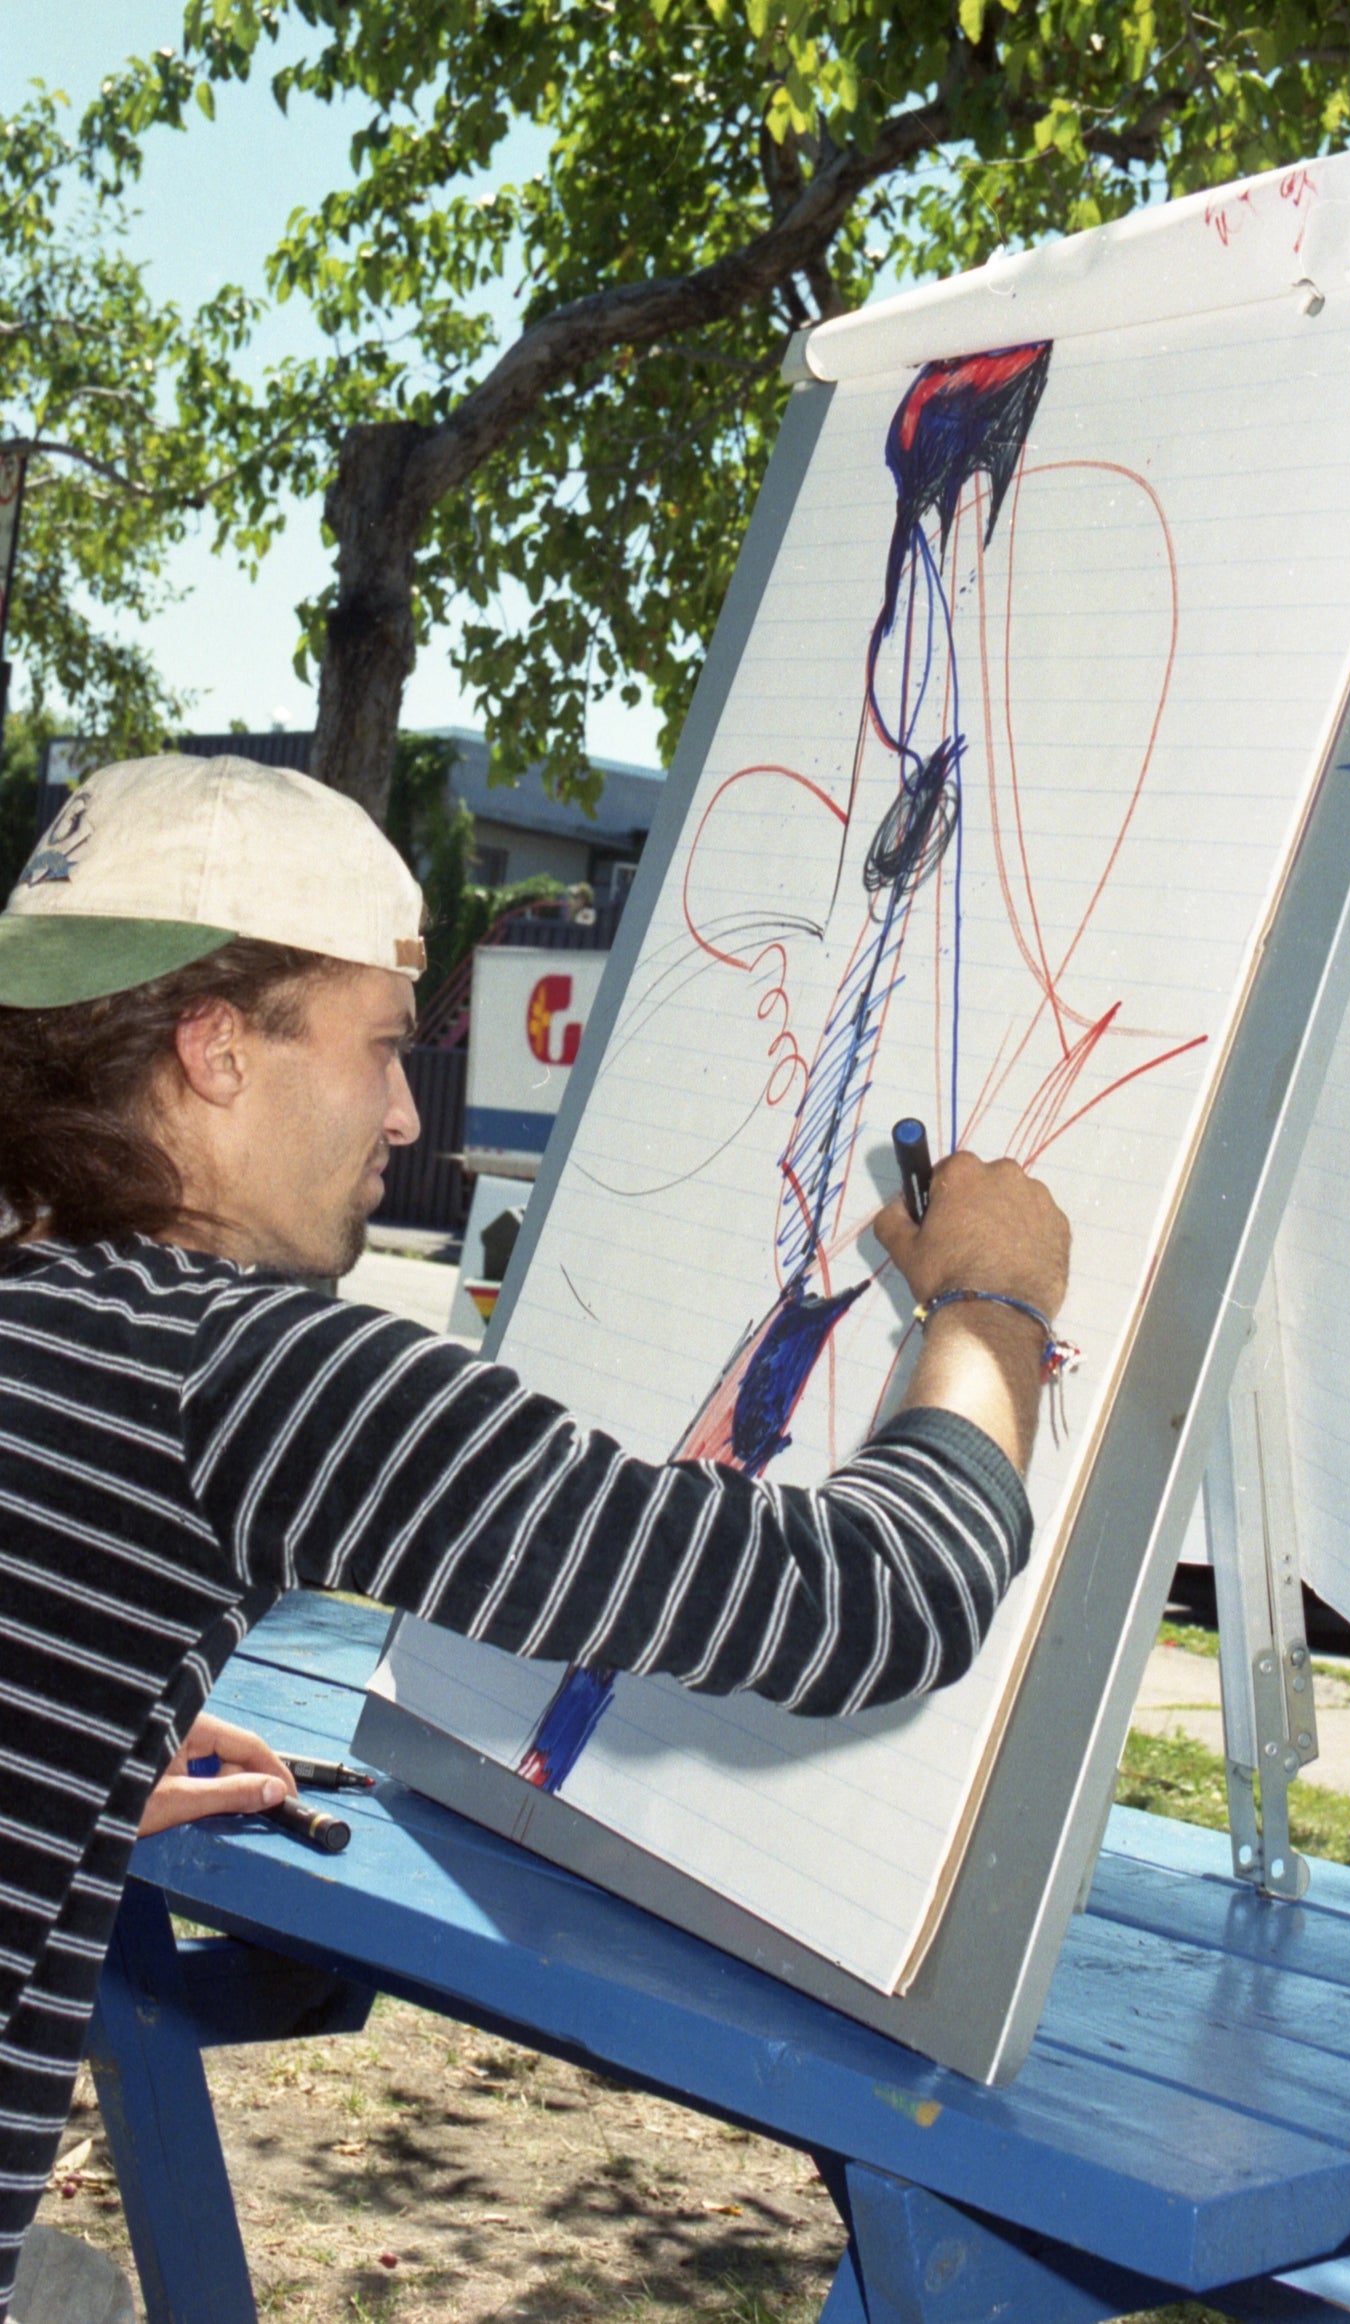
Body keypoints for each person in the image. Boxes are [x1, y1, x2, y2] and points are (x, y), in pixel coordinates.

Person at [0, 754, 1070, 2313]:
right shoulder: (239, 1364)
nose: (403, 1111)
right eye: (377, 1050)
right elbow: (866, 1601)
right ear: (217, 1049)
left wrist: (71, 1754)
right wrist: (994, 1303)